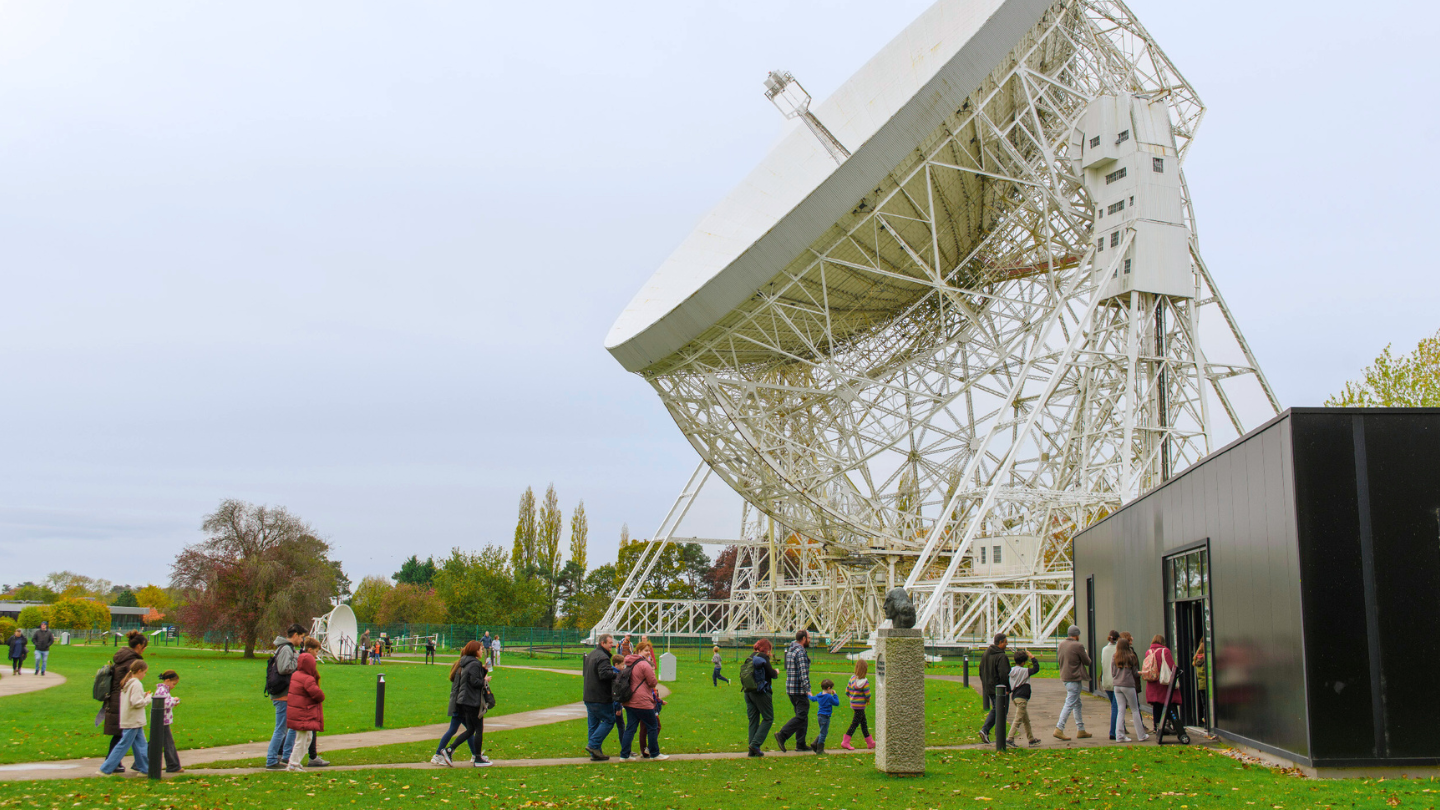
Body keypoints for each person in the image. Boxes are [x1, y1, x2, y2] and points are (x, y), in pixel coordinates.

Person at [103, 630, 148, 772]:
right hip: (123, 701)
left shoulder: (122, 657)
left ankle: (139, 765)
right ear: (140, 646)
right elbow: (132, 684)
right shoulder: (132, 662)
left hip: (117, 698)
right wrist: (144, 698)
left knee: (124, 734)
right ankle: (111, 764)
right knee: (123, 735)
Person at [98, 659, 151, 776]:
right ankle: (105, 769)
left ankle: (145, 769)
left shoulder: (127, 682)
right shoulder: (137, 684)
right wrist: (147, 699)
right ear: (139, 671)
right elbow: (136, 702)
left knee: (141, 745)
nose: (145, 675)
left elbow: (131, 699)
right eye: (145, 672)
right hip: (133, 720)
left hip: (131, 720)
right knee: (123, 745)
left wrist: (142, 695)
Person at [264, 624, 305, 770]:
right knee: (280, 729)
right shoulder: (286, 649)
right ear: (295, 635)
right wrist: (298, 660)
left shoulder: (286, 648)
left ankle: (281, 757)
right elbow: (284, 668)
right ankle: (271, 760)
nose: (301, 640)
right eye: (301, 637)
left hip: (283, 695)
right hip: (282, 695)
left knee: (285, 728)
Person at [445, 641, 492, 766]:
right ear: (475, 651)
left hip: (465, 700)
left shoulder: (466, 662)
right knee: (478, 730)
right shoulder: (474, 663)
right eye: (480, 649)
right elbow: (474, 682)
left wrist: (483, 671)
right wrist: (484, 681)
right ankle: (477, 758)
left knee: (471, 729)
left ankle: (449, 750)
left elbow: (470, 678)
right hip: (472, 701)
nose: (482, 651)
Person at [619, 641, 665, 760]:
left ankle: (624, 755)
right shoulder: (644, 664)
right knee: (652, 726)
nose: (648, 652)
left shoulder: (629, 663)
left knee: (630, 728)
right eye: (645, 650)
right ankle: (654, 753)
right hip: (642, 700)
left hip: (629, 700)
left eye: (649, 650)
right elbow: (653, 682)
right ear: (639, 651)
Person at [285, 650, 325, 772]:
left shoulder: (296, 675)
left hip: (298, 712)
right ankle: (293, 763)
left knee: (307, 737)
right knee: (302, 739)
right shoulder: (307, 679)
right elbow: (318, 695)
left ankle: (296, 761)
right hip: (304, 713)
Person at [774, 630, 812, 753]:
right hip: (798, 689)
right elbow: (803, 672)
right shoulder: (800, 652)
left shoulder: (791, 650)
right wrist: (808, 689)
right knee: (801, 716)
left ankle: (800, 743)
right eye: (809, 638)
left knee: (802, 716)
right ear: (804, 638)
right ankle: (782, 735)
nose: (810, 640)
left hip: (790, 688)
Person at [1054, 625, 1093, 740]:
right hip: (1074, 678)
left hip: (1065, 678)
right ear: (1076, 635)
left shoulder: (1061, 644)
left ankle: (1081, 729)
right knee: (1070, 703)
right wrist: (1085, 652)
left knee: (1077, 703)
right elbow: (1087, 662)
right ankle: (1059, 728)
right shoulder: (1078, 645)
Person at [582, 634, 617, 761]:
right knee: (609, 720)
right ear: (603, 643)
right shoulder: (603, 657)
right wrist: (616, 675)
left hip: (588, 695)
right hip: (600, 697)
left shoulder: (591, 655)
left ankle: (595, 753)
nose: (611, 645)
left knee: (593, 725)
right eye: (609, 643)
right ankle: (593, 745)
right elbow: (604, 675)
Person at [742, 638, 780, 757]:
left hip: (748, 691)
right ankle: (755, 744)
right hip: (761, 692)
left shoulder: (750, 656)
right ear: (766, 649)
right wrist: (776, 671)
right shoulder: (763, 657)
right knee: (768, 718)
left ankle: (751, 750)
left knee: (753, 720)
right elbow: (771, 674)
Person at [1144, 634, 1182, 736]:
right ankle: (1172, 725)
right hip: (1164, 683)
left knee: (1156, 705)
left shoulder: (1148, 652)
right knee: (1170, 704)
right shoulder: (1165, 651)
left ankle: (1157, 726)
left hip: (1152, 682)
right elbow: (1171, 666)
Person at [1111, 637, 1147, 742]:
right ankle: (1141, 735)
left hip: (1117, 685)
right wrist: (1142, 673)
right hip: (1128, 685)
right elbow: (1135, 673)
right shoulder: (1131, 657)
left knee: (1121, 710)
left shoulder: (1115, 657)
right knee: (1135, 709)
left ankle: (1119, 736)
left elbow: (1113, 673)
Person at [300, 638, 330, 767]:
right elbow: (309, 683)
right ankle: (310, 757)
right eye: (316, 651)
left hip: (305, 701)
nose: (317, 655)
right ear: (310, 650)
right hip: (306, 702)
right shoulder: (305, 665)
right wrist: (318, 695)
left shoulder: (302, 662)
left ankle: (311, 756)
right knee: (304, 732)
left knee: (306, 732)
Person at [977, 633, 1010, 744]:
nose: (1007, 644)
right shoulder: (1002, 656)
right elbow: (1004, 674)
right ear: (1000, 642)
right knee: (1000, 711)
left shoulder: (986, 653)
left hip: (989, 687)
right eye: (1005, 642)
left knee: (996, 709)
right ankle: (989, 732)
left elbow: (981, 669)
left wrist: (985, 683)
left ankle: (995, 735)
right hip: (999, 688)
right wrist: (1007, 688)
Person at [1006, 649, 1042, 747]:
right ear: (1023, 662)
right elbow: (1036, 668)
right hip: (1022, 698)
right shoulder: (1025, 671)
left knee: (1026, 720)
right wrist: (1032, 657)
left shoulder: (1012, 670)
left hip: (1015, 696)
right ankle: (1010, 738)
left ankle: (1031, 739)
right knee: (1018, 719)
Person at [153, 670, 184, 772]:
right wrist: (174, 701)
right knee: (168, 744)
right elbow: (164, 703)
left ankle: (142, 762)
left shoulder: (164, 690)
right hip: (162, 721)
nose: (174, 686)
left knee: (155, 743)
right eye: (173, 684)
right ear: (167, 680)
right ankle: (173, 766)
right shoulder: (162, 690)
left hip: (162, 721)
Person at [841, 659, 872, 751]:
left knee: (863, 723)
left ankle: (870, 742)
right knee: (855, 723)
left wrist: (853, 697)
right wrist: (867, 700)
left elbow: (847, 691)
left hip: (854, 704)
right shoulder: (865, 682)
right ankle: (845, 741)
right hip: (861, 705)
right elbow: (868, 694)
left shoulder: (852, 678)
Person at [808, 679, 840, 754]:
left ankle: (814, 743)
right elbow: (836, 703)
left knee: (823, 731)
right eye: (831, 688)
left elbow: (813, 699)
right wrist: (835, 695)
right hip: (826, 716)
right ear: (829, 688)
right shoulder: (829, 697)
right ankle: (820, 749)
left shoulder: (819, 695)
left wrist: (809, 695)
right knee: (823, 733)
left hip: (819, 716)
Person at [1100, 630, 1119, 740]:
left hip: (1106, 681)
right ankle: (1113, 731)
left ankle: (1120, 727)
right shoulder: (1117, 650)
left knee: (1114, 705)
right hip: (1115, 681)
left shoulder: (1104, 650)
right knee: (1116, 707)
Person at [1193, 640, 1208, 726]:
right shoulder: (1205, 660)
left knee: (1204, 705)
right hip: (1206, 685)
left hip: (1201, 686)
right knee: (1208, 705)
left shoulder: (1197, 661)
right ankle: (1208, 724)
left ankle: (1205, 723)